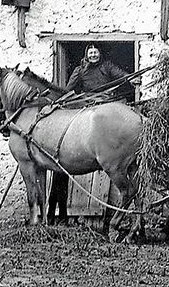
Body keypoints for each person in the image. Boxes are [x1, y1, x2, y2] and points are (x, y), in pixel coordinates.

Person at [48, 44, 133, 223]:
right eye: (90, 53)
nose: (93, 55)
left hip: (107, 104)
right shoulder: (80, 70)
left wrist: (131, 79)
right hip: (90, 107)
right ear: (87, 55)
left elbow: (121, 75)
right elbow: (68, 90)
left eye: (96, 52)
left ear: (99, 54)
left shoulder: (107, 67)